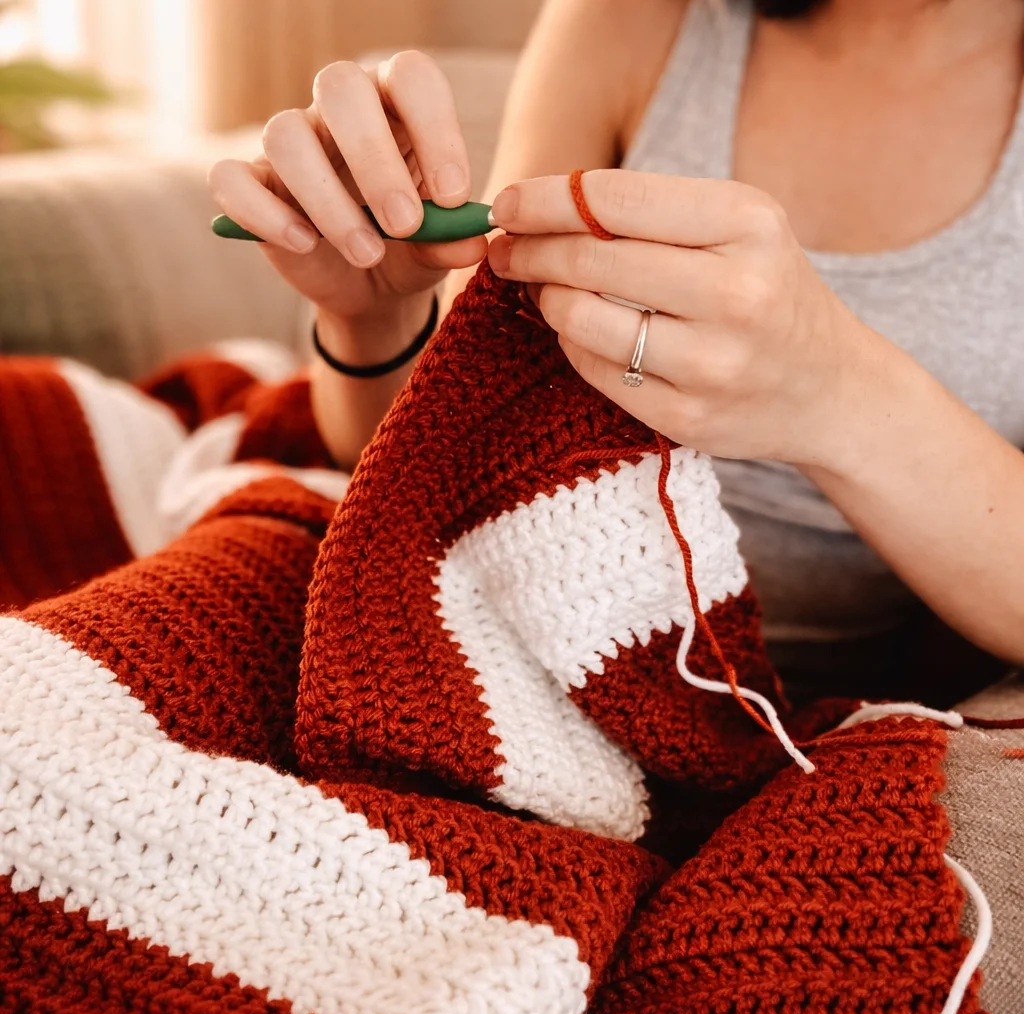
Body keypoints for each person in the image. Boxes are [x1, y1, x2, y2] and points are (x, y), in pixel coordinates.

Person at [208, 0, 1024, 696]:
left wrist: (835, 392)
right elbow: (439, 454)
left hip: (774, 719)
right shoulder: (632, 21)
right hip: (494, 628)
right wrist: (374, 319)